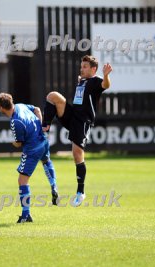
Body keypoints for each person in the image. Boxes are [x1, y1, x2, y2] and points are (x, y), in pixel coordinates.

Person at [42, 55, 112, 207]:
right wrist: (81, 81)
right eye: (82, 66)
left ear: (93, 69)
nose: (82, 68)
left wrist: (106, 76)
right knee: (53, 96)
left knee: (76, 154)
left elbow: (105, 85)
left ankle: (81, 192)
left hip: (83, 121)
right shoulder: (83, 81)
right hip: (73, 115)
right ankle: (45, 126)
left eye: (85, 66)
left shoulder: (95, 80)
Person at [0, 93, 58, 223]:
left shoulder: (15, 121)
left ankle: (26, 215)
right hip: (43, 140)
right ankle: (54, 186)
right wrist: (41, 126)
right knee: (46, 161)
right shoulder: (20, 106)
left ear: (0, 108)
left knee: (22, 181)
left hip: (32, 149)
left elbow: (19, 143)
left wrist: (13, 143)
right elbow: (37, 109)